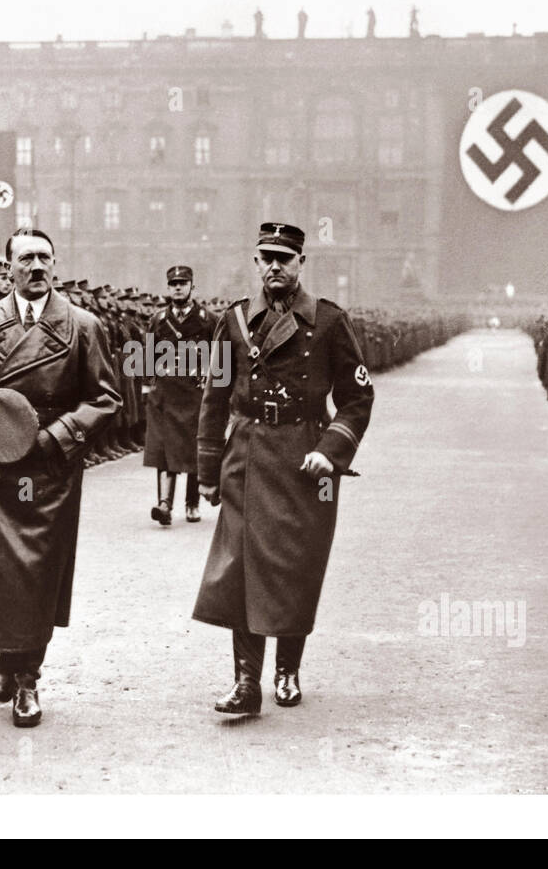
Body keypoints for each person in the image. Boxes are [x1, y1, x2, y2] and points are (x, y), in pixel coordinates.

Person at [0, 228, 122, 728]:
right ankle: (8, 656)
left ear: (55, 265)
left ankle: (27, 676)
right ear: (7, 268)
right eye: (26, 258)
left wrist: (55, 439)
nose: (36, 266)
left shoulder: (83, 326)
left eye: (44, 258)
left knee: (36, 574)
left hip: (48, 467)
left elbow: (104, 399)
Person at [193, 222, 375, 714]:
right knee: (241, 569)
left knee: (296, 565)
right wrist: (207, 469)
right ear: (255, 262)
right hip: (247, 454)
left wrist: (331, 450)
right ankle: (246, 682)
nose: (275, 266)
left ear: (300, 264)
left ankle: (287, 669)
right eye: (267, 257)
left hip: (305, 457)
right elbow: (214, 397)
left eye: (285, 258)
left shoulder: (330, 322)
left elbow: (358, 398)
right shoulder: (233, 321)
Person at [143, 265, 215, 524]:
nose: (177, 287)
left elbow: (222, 358)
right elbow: (147, 355)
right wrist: (147, 388)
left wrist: (218, 390)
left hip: (195, 392)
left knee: (194, 446)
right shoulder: (158, 320)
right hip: (165, 393)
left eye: (183, 283)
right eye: (173, 283)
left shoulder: (208, 319)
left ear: (192, 286)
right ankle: (164, 505)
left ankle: (192, 503)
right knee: (164, 448)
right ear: (168, 287)